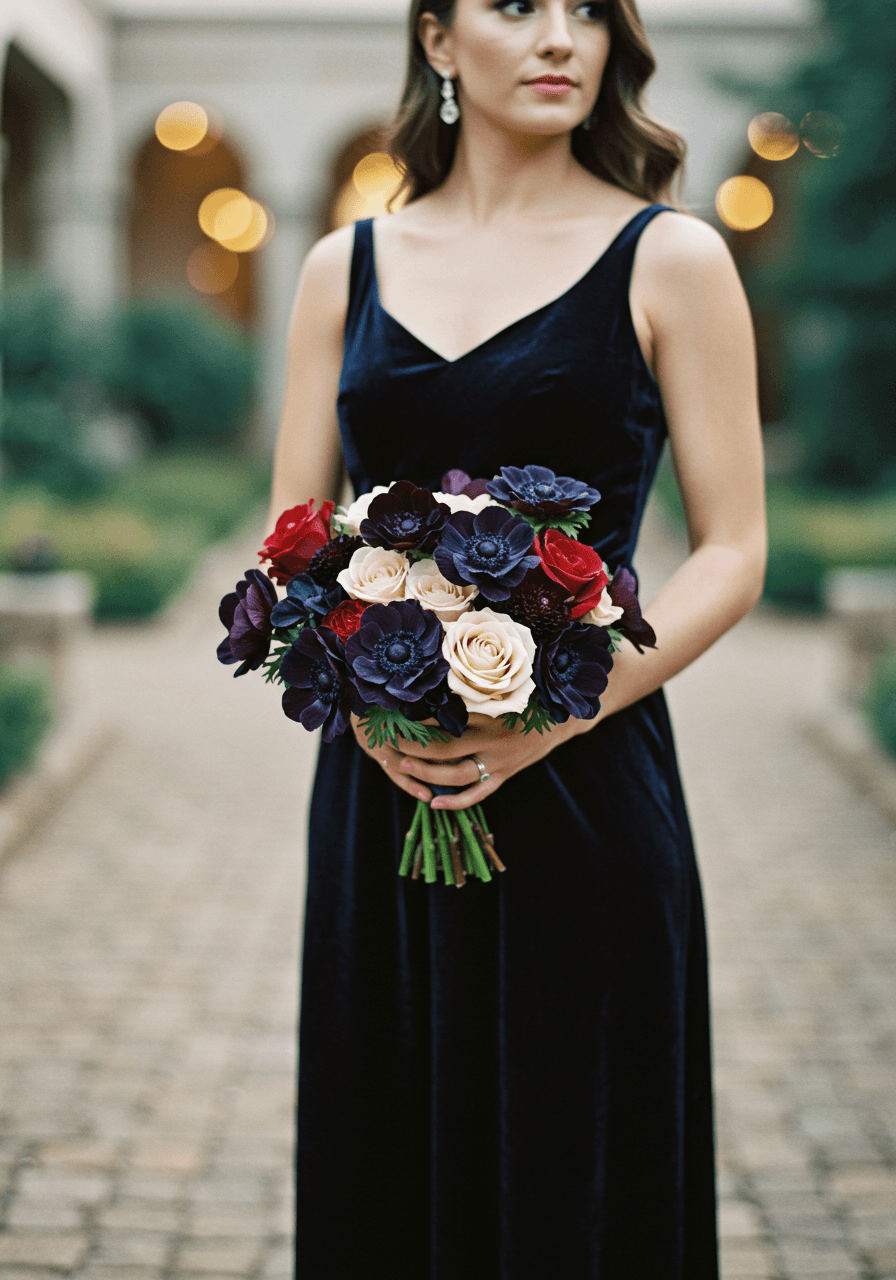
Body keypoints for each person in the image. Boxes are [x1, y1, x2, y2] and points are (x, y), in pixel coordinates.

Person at [268, 0, 766, 1275]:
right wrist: (366, 705)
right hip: (384, 786)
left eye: (586, 11)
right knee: (385, 1139)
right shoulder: (344, 266)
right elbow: (291, 540)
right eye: (515, 7)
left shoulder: (672, 260)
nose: (558, 38)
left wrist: (551, 711)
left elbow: (732, 552)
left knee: (574, 1163)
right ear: (437, 41)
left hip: (587, 778)